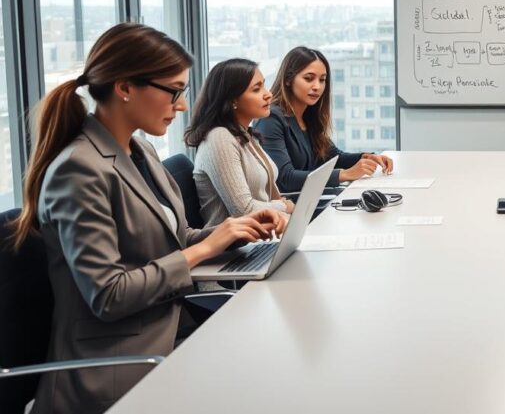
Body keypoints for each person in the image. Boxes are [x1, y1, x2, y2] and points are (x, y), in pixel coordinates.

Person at [8, 23, 286, 414]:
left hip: (167, 332)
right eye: (174, 91)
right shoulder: (79, 170)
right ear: (124, 87)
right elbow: (108, 295)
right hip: (118, 367)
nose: (183, 105)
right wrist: (203, 249)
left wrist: (227, 234)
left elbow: (175, 240)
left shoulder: (141, 152)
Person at [255, 46, 393, 194]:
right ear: (288, 80)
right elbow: (285, 178)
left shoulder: (309, 115)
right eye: (308, 79)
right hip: (288, 207)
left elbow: (332, 157)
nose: (317, 87)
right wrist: (344, 174)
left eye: (322, 80)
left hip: (310, 199)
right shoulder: (271, 118)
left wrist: (366, 157)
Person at [186, 58, 295, 226]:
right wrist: (283, 206)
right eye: (257, 89)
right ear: (232, 100)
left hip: (264, 234)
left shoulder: (245, 135)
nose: (268, 94)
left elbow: (267, 196)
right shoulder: (219, 138)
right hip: (236, 247)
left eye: (264, 86)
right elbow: (243, 211)